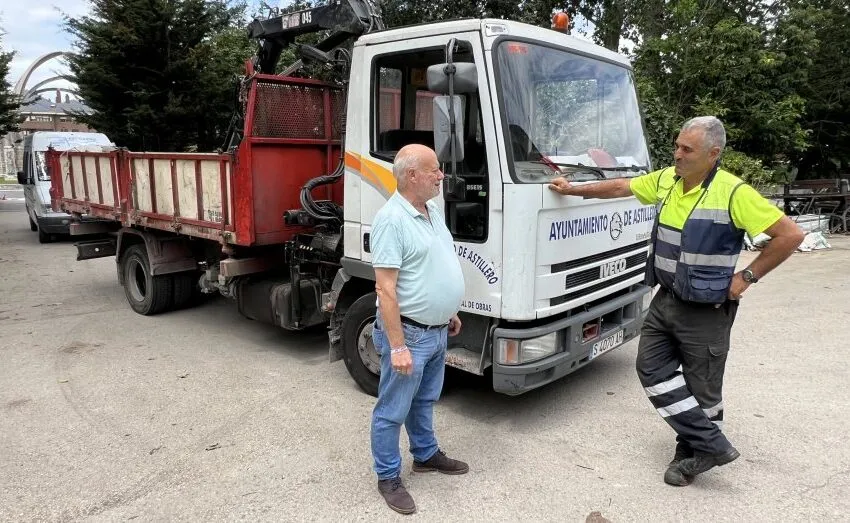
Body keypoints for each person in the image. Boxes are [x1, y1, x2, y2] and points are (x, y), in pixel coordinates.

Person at [548, 116, 805, 486]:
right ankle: (711, 445)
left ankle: (694, 451)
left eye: (687, 149)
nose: (677, 154)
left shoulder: (734, 192)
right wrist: (573, 190)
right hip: (666, 299)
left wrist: (746, 277)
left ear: (713, 154)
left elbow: (790, 235)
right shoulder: (668, 179)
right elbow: (621, 186)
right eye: (677, 146)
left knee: (703, 388)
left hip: (707, 309)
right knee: (651, 370)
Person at [369, 144, 468, 514]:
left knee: (425, 400)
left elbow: (435, 262)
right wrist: (397, 347)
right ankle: (388, 476)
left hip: (438, 329)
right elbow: (386, 289)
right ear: (412, 175)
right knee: (392, 409)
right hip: (409, 333)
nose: (441, 175)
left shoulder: (433, 210)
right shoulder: (391, 220)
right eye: (434, 170)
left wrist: (449, 311)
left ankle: (425, 456)